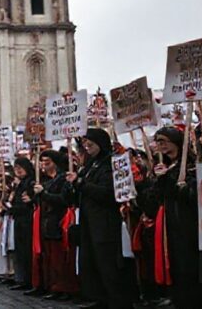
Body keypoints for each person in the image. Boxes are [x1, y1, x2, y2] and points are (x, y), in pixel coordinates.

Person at [66, 128, 137, 309]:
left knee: (108, 265)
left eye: (90, 144)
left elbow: (107, 194)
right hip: (90, 222)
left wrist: (81, 183)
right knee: (93, 263)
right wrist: (73, 186)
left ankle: (117, 301)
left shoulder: (110, 164)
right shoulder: (90, 166)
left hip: (105, 223)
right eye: (85, 144)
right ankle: (100, 298)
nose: (87, 147)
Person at [149, 127, 202, 308]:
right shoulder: (162, 166)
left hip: (187, 223)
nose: (160, 145)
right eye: (158, 142)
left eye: (164, 140)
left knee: (187, 265)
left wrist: (168, 181)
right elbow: (158, 197)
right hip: (169, 222)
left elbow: (188, 195)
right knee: (174, 265)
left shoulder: (190, 165)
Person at [33, 150, 78, 301]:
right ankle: (54, 286)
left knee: (61, 258)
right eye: (43, 163)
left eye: (48, 163)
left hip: (60, 222)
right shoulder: (44, 180)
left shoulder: (63, 179)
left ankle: (65, 287)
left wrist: (43, 193)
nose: (44, 166)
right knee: (51, 259)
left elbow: (63, 200)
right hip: (47, 223)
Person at [8, 157, 36, 292]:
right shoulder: (19, 184)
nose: (18, 170)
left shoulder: (31, 182)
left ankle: (29, 279)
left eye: (20, 167)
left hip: (27, 219)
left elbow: (30, 202)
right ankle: (23, 278)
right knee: (20, 250)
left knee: (26, 250)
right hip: (19, 219)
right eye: (16, 168)